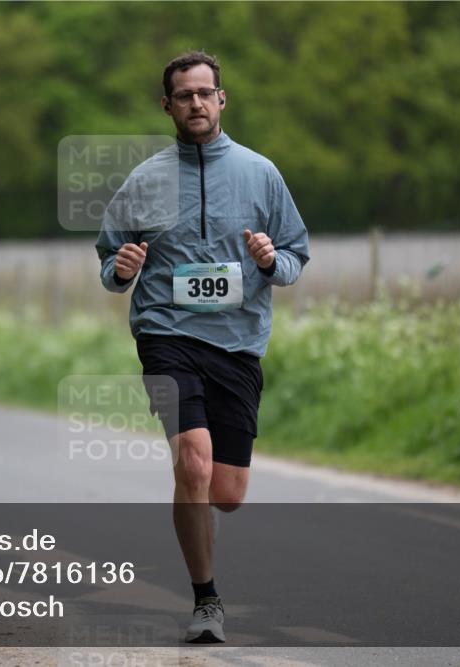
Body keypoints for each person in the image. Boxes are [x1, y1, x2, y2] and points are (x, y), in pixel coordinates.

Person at [95, 51, 310, 643]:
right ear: (167, 105)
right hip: (166, 334)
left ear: (222, 99)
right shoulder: (145, 180)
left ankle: (198, 512)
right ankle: (206, 600)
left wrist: (270, 261)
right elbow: (110, 263)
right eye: (184, 95)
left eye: (205, 93)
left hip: (238, 343)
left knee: (227, 493)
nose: (196, 103)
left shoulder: (261, 173)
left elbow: (296, 254)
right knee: (192, 460)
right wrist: (122, 268)